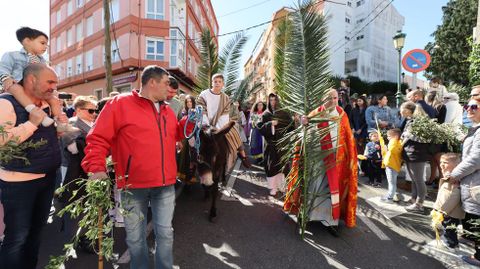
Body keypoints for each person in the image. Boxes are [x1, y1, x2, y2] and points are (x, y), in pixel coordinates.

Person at [82, 65, 189, 269]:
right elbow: (97, 137)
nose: (170, 88)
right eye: (167, 83)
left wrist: (188, 125)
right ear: (152, 82)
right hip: (133, 186)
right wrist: (96, 167)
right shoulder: (120, 103)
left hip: (165, 184)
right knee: (135, 237)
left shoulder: (167, 109)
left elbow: (177, 135)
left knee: (165, 234)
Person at [0, 64, 64, 268]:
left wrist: (58, 116)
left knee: (36, 234)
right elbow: (2, 142)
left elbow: (59, 132)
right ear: (31, 80)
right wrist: (31, 124)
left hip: (47, 178)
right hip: (19, 183)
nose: (54, 87)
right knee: (17, 238)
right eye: (50, 82)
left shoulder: (48, 103)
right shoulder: (5, 103)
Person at [284, 89, 358, 233]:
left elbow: (349, 138)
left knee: (332, 192)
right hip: (317, 160)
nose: (334, 101)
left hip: (336, 161)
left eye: (336, 98)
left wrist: (350, 159)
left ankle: (331, 221)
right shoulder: (314, 114)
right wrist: (303, 123)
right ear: (324, 99)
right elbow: (304, 136)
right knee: (314, 188)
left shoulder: (342, 115)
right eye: (331, 98)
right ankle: (309, 216)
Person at [0, 27, 69, 131]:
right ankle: (34, 111)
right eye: (42, 43)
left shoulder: (42, 61)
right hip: (17, 83)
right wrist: (6, 78)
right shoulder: (12, 55)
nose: (46, 47)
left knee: (54, 100)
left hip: (36, 89)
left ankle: (60, 123)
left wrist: (51, 90)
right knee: (16, 89)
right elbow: (3, 68)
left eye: (47, 44)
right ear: (27, 41)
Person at [444, 97, 480, 266]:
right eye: (467, 106)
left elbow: (475, 159)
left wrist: (455, 174)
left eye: (474, 106)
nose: (469, 109)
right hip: (472, 180)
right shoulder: (475, 129)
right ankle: (471, 239)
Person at [196, 73, 251, 169]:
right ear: (212, 83)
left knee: (235, 134)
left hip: (221, 124)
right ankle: (192, 164)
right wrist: (207, 126)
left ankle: (243, 155)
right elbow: (201, 109)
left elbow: (225, 115)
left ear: (223, 84)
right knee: (193, 140)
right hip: (205, 124)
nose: (217, 83)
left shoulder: (226, 98)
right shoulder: (204, 94)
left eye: (219, 82)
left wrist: (219, 129)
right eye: (215, 81)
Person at [257, 94, 292, 196]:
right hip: (271, 145)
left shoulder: (284, 113)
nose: (273, 102)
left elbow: (290, 126)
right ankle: (273, 188)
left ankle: (281, 186)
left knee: (282, 166)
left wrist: (296, 121)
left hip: (282, 144)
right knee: (271, 166)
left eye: (274, 100)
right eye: (271, 100)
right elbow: (260, 127)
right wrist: (270, 124)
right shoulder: (266, 114)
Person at [400, 101, 431, 213]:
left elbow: (425, 139)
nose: (400, 111)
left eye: (402, 109)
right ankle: (414, 199)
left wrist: (408, 135)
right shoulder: (410, 121)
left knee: (418, 180)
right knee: (413, 179)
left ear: (408, 109)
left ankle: (419, 204)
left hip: (417, 154)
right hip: (410, 153)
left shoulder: (420, 122)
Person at [432, 153, 464, 250]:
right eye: (441, 162)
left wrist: (443, 210)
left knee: (449, 228)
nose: (441, 164)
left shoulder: (454, 179)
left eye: (445, 163)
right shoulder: (448, 175)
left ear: (456, 165)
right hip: (447, 209)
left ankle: (451, 244)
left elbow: (454, 196)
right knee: (447, 226)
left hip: (450, 211)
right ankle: (452, 242)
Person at [381, 128, 403, 203]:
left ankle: (390, 198)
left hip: (392, 166)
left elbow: (392, 149)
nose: (388, 138)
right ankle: (389, 195)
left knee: (392, 182)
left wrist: (392, 141)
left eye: (389, 136)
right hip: (391, 165)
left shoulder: (396, 142)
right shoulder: (396, 142)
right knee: (391, 182)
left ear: (396, 136)